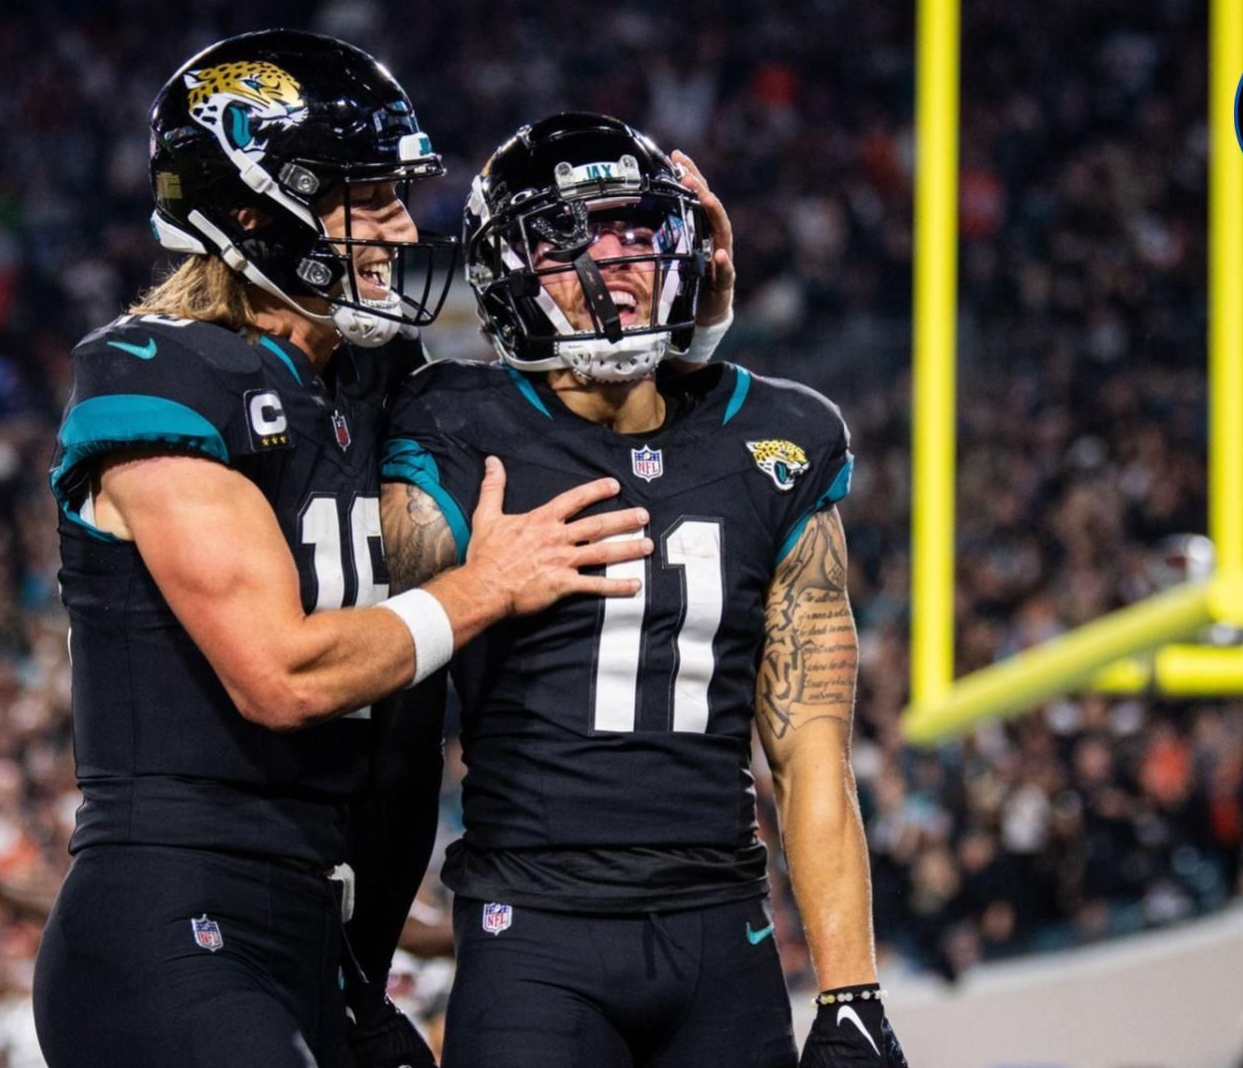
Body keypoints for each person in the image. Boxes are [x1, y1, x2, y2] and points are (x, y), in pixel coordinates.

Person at [30, 38, 654, 1068]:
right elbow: (279, 672)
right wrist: (480, 590)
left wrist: (699, 322)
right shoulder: (154, 376)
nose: (403, 228)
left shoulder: (370, 375)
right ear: (250, 209)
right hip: (178, 928)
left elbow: (574, 417)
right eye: (366, 198)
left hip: (324, 938)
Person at [378, 113, 910, 1067]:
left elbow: (810, 753)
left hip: (721, 930)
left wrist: (852, 991)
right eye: (570, 235)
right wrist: (477, 585)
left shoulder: (777, 441)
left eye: (634, 227)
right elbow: (377, 678)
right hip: (533, 929)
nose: (612, 258)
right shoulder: (453, 423)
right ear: (506, 267)